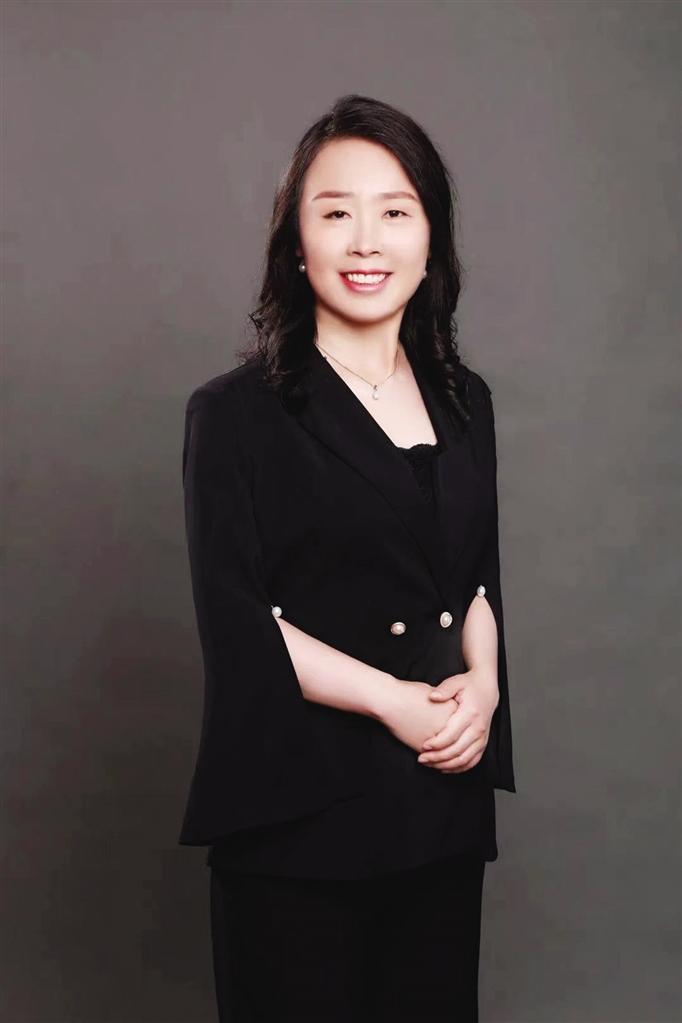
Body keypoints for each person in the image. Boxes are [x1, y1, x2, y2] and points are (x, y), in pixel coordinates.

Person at [179, 93, 516, 1022]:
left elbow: (475, 579)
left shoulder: (466, 400)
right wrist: (393, 700)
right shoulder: (235, 413)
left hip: (440, 807)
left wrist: (484, 688)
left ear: (431, 240)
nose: (367, 241)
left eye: (395, 211)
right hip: (298, 812)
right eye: (336, 213)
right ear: (296, 242)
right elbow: (240, 620)